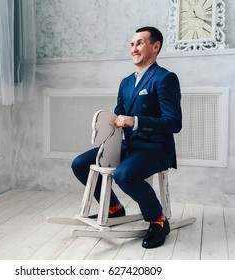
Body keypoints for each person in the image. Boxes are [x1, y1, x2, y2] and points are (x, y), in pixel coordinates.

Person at [71, 26, 182, 249]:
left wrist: (135, 121)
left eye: (139, 43)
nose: (133, 49)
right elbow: (118, 114)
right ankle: (114, 208)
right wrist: (107, 121)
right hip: (129, 145)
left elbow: (174, 123)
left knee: (123, 174)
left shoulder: (164, 78)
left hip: (155, 149)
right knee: (80, 164)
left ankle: (158, 220)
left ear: (156, 46)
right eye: (132, 44)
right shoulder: (125, 82)